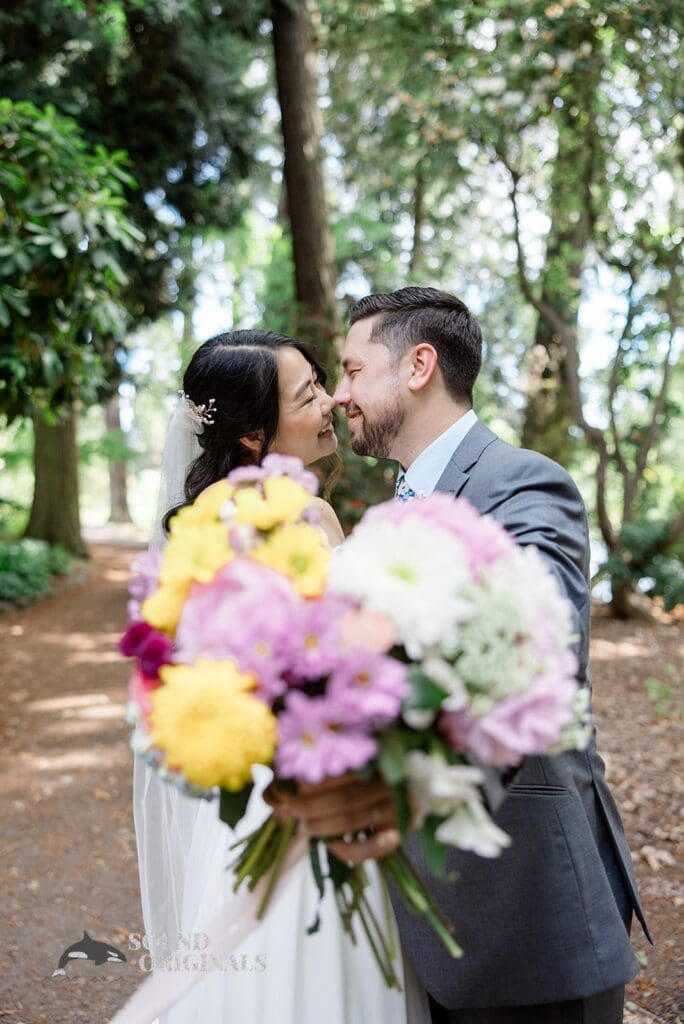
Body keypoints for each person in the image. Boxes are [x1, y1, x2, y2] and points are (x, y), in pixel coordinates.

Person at [270, 288, 650, 1024]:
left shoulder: (522, 482)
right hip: (424, 938)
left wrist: (409, 787)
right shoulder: (385, 520)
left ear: (418, 366)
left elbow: (540, 639)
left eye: (351, 370)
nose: (340, 395)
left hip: (527, 920)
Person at [133, 328, 431, 1024]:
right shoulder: (242, 528)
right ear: (249, 436)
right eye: (309, 394)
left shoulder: (274, 513)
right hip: (303, 781)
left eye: (323, 382)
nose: (332, 400)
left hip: (319, 769)